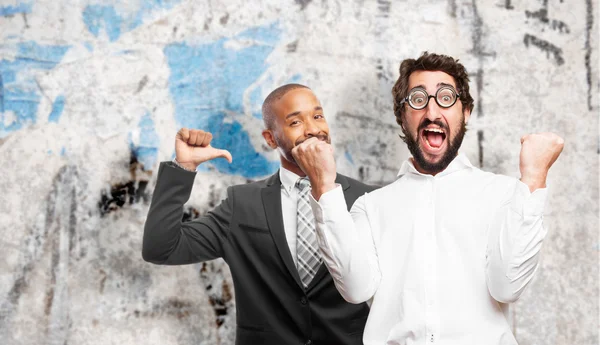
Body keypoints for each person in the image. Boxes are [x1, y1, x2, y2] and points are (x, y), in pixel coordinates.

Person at [292, 52, 564, 345]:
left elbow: (507, 286)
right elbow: (355, 288)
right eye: (418, 100)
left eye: (446, 97)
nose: (433, 113)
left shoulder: (506, 195)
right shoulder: (371, 207)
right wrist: (322, 186)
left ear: (466, 112)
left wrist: (534, 178)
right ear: (401, 116)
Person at [142, 84, 375, 345]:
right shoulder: (241, 204)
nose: (312, 129)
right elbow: (160, 248)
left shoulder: (369, 199)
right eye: (295, 121)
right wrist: (182, 168)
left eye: (318, 116)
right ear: (270, 138)